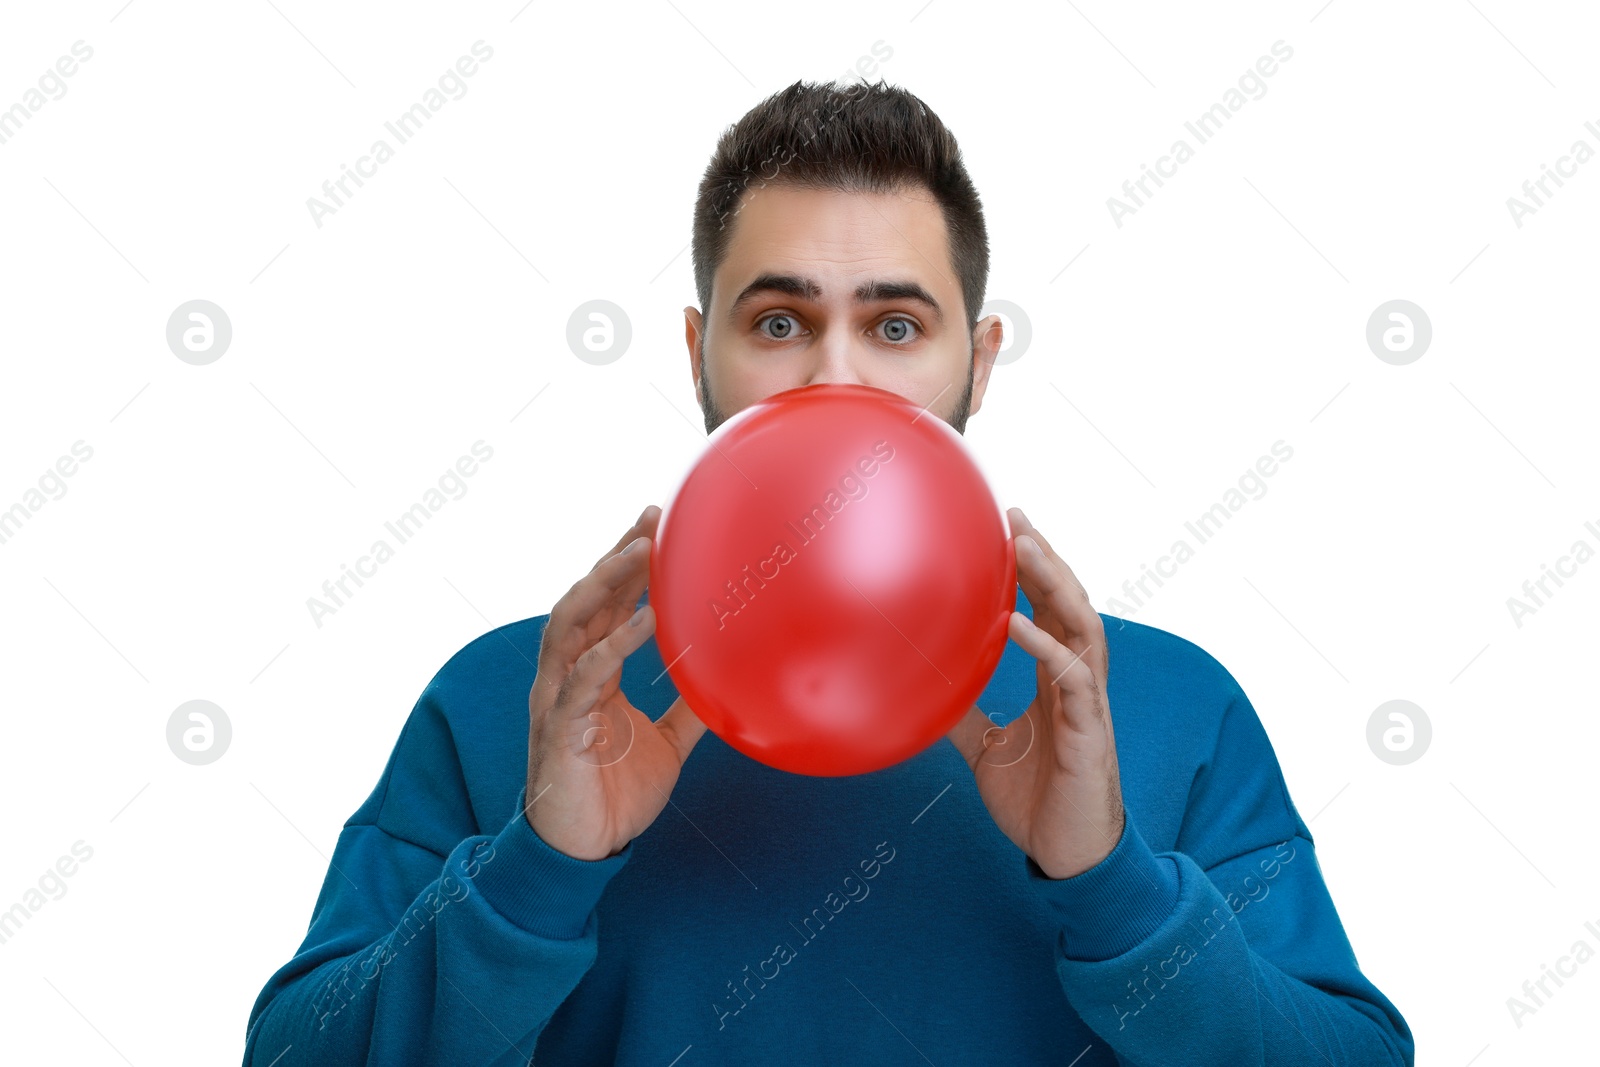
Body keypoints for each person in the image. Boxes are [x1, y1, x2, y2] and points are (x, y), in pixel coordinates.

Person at [242, 80, 1415, 1065]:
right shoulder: (521, 693)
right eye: (780, 322)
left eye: (897, 326)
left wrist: (1112, 883)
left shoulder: (1153, 702)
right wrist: (536, 868)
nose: (835, 377)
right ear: (699, 350)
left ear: (980, 361)